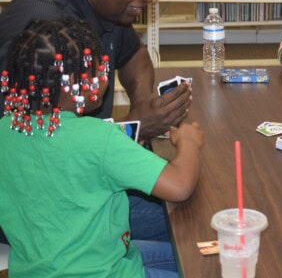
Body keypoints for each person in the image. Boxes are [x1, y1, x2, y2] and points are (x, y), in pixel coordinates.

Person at [0, 0, 192, 242]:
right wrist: (134, 127)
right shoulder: (43, 29)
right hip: (46, 211)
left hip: (83, 181)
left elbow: (135, 56)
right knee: (191, 217)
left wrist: (146, 105)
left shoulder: (106, 2)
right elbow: (40, 151)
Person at [0, 18, 204, 277]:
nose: (105, 74)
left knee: (184, 251)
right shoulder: (100, 137)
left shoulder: (4, 130)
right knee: (201, 262)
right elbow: (180, 185)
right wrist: (189, 142)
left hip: (38, 268)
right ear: (73, 81)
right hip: (104, 271)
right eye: (99, 67)